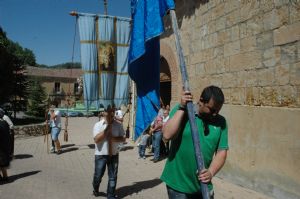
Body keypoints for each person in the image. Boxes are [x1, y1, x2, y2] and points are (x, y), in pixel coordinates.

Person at [161, 86, 229, 199]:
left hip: (203, 186)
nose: (215, 114)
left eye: (218, 110)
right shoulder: (183, 111)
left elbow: (222, 151)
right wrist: (182, 107)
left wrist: (211, 172)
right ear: (201, 101)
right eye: (212, 109)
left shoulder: (221, 122)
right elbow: (167, 135)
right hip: (178, 186)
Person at [92, 108, 126, 198]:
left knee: (113, 177)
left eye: (112, 113)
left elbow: (123, 138)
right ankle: (95, 188)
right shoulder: (98, 125)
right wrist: (106, 130)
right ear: (104, 113)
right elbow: (96, 140)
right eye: (108, 112)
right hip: (100, 155)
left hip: (114, 154)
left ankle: (110, 195)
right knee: (98, 176)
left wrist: (113, 139)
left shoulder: (118, 125)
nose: (110, 115)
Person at [0, 110, 11, 182]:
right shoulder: (4, 123)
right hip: (4, 146)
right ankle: (5, 177)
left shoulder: (2, 124)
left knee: (2, 162)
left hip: (1, 146)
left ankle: (4, 177)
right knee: (3, 162)